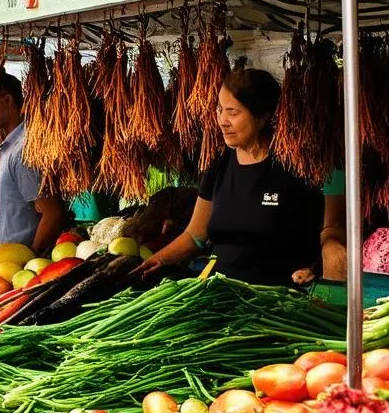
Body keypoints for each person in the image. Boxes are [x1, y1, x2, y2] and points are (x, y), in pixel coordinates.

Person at [139, 69, 324, 285]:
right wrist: (151, 263)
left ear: (263, 116)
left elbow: (324, 235)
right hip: (219, 294)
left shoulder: (294, 171)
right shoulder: (219, 167)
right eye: (220, 110)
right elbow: (195, 237)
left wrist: (315, 268)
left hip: (273, 301)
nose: (222, 121)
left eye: (233, 112)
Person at [0, 70, 67, 255]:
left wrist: (30, 257)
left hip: (24, 263)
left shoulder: (23, 150)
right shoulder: (11, 148)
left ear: (8, 100)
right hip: (12, 260)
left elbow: (53, 213)